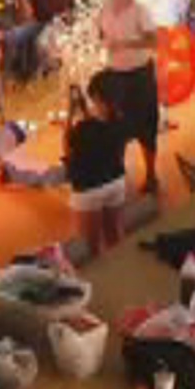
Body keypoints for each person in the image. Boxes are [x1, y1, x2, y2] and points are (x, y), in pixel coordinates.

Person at [97, 0, 161, 195]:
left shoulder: (140, 10)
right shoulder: (105, 9)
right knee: (115, 127)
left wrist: (126, 44)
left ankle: (151, 175)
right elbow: (101, 33)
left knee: (146, 127)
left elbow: (153, 41)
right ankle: (117, 174)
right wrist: (103, 44)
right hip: (115, 74)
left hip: (139, 75)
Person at [66, 77, 130, 258]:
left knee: (91, 249)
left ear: (101, 100)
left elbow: (68, 149)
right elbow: (99, 130)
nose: (92, 104)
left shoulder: (83, 129)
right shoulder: (122, 122)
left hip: (88, 189)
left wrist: (70, 114)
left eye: (94, 100)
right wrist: (85, 112)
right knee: (115, 238)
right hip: (116, 183)